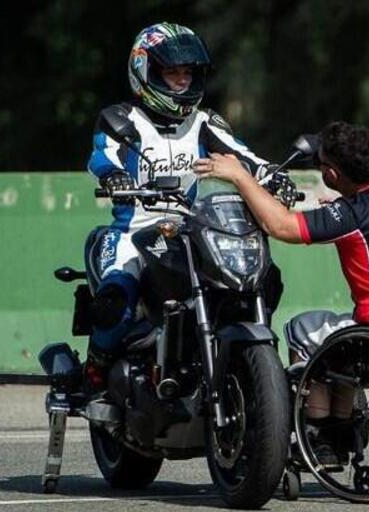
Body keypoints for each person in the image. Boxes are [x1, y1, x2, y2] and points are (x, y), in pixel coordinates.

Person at [194, 121, 369, 467]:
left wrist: (241, 177)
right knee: (338, 336)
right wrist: (341, 208)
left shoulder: (351, 214)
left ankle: (323, 433)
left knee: (303, 329)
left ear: (330, 173)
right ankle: (339, 427)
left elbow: (280, 225)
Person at [84, 22, 276, 392]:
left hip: (190, 229)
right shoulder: (120, 120)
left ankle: (245, 367)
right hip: (133, 231)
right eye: (171, 72)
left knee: (263, 280)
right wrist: (114, 178)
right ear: (145, 71)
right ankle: (96, 369)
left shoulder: (203, 121)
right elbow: (102, 158)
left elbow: (245, 156)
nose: (181, 81)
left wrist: (274, 176)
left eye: (187, 73)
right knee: (115, 301)